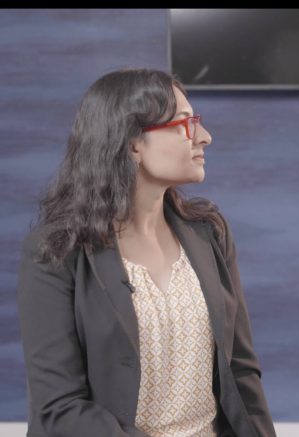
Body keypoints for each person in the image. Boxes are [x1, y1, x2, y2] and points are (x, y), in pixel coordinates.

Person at [17, 68, 276, 437]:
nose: (204, 137)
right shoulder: (56, 251)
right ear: (132, 143)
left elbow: (241, 371)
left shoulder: (210, 233)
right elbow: (59, 406)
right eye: (185, 124)